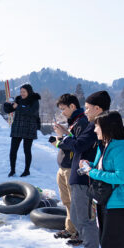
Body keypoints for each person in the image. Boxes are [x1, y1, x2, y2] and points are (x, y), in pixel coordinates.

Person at [77, 111, 124, 248]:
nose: (94, 129)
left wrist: (92, 173)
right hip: (108, 201)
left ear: (108, 128)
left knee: (111, 245)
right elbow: (100, 169)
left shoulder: (122, 148)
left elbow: (123, 176)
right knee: (115, 242)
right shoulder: (106, 145)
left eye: (97, 126)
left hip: (122, 203)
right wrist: (89, 167)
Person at [55, 90, 108, 248]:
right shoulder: (93, 125)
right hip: (81, 175)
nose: (85, 111)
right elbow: (79, 142)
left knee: (84, 218)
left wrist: (62, 138)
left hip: (85, 177)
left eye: (87, 108)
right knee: (79, 217)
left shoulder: (94, 126)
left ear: (98, 108)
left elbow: (78, 145)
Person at [49, 94, 81, 239]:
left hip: (71, 168)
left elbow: (76, 145)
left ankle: (79, 232)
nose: (62, 112)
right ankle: (70, 229)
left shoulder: (82, 122)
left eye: (63, 109)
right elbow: (69, 141)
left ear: (72, 106)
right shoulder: (73, 122)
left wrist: (62, 136)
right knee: (67, 201)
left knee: (76, 202)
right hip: (63, 167)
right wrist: (62, 134)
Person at [3, 84, 41, 177]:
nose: (22, 94)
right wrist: (7, 104)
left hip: (29, 127)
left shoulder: (34, 100)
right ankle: (12, 170)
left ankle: (27, 170)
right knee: (13, 150)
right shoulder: (18, 99)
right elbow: (9, 110)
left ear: (29, 91)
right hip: (17, 127)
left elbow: (31, 112)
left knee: (27, 150)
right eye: (21, 92)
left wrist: (18, 107)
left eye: (24, 92)